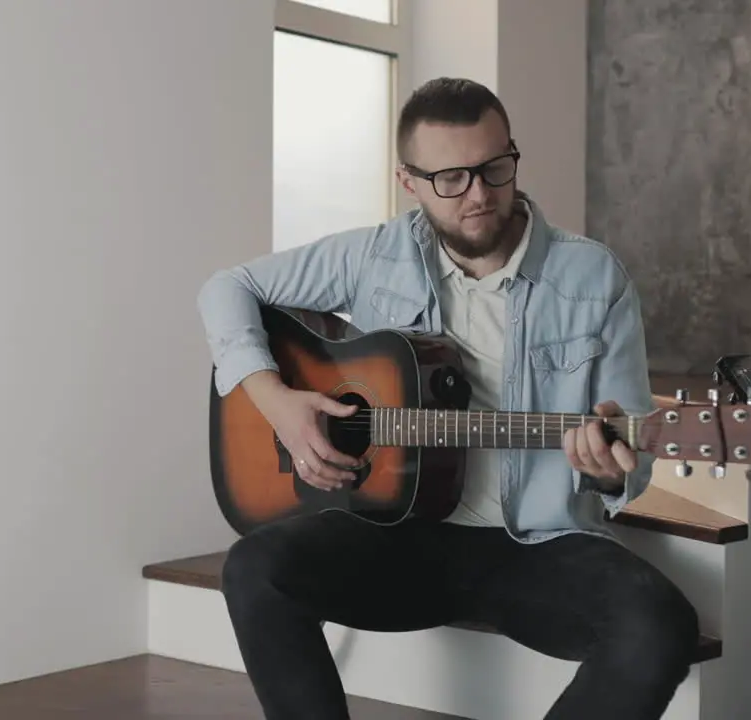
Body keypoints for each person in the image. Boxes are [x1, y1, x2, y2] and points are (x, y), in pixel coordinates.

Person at [196, 77, 699, 720]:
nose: (480, 195)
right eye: (451, 179)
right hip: (399, 536)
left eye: (495, 168)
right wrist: (278, 403)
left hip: (538, 546)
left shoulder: (594, 277)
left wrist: (606, 475)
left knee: (659, 625)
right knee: (253, 569)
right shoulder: (372, 256)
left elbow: (630, 448)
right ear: (409, 182)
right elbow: (226, 287)